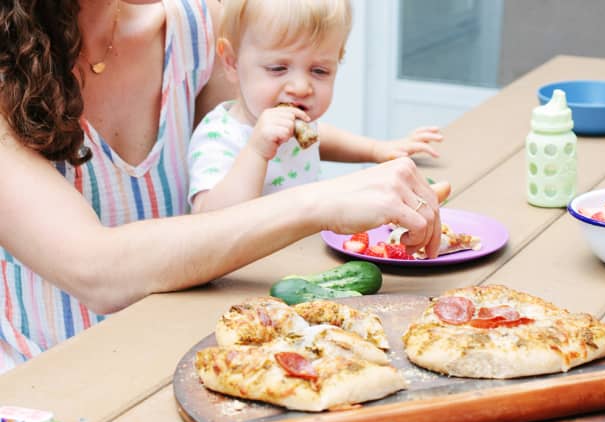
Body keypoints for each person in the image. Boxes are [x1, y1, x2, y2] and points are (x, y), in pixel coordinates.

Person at [0, 0, 449, 373]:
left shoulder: (194, 26)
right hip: (50, 383)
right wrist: (322, 201)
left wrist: (373, 180)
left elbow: (250, 157)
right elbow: (95, 271)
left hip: (190, 355)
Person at [187, 0, 443, 212]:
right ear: (231, 62)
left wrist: (377, 149)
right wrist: (256, 151)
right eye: (278, 68)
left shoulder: (299, 126)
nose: (301, 87)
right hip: (247, 270)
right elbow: (208, 219)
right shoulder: (218, 137)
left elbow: (321, 136)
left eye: (319, 71)